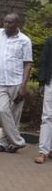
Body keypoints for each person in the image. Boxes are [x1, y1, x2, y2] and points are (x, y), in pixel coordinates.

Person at [0, 13, 33, 154]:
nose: (7, 25)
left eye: (10, 23)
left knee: (13, 115)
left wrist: (23, 86)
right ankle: (18, 141)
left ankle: (3, 143)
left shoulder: (24, 40)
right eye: (5, 22)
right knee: (3, 111)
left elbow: (28, 64)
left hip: (16, 82)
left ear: (17, 24)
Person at [36, 35, 52, 163]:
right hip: (50, 82)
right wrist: (41, 82)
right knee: (47, 116)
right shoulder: (50, 39)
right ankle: (43, 151)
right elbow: (44, 61)